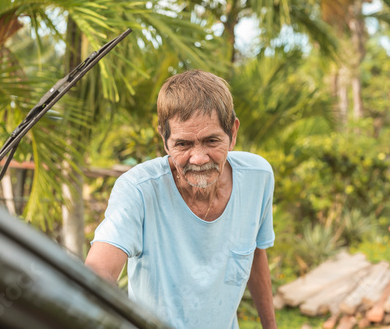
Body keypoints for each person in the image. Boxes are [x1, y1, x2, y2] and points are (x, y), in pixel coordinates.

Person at [85, 69, 277, 329]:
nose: (198, 158)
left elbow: (255, 255)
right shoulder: (138, 190)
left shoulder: (258, 177)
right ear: (165, 140)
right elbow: (99, 272)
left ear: (233, 132)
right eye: (183, 144)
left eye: (211, 141)